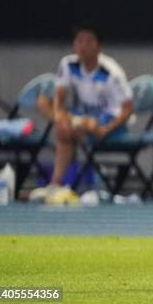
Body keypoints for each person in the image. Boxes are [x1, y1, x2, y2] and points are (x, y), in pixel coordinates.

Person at [30, 25, 133, 202]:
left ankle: (56, 184)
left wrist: (106, 129)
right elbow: (59, 101)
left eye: (88, 41)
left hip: (111, 122)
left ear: (99, 47)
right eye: (79, 41)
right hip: (85, 119)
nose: (83, 46)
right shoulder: (68, 64)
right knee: (44, 104)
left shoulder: (111, 72)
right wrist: (60, 119)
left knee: (76, 128)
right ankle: (56, 186)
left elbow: (128, 109)